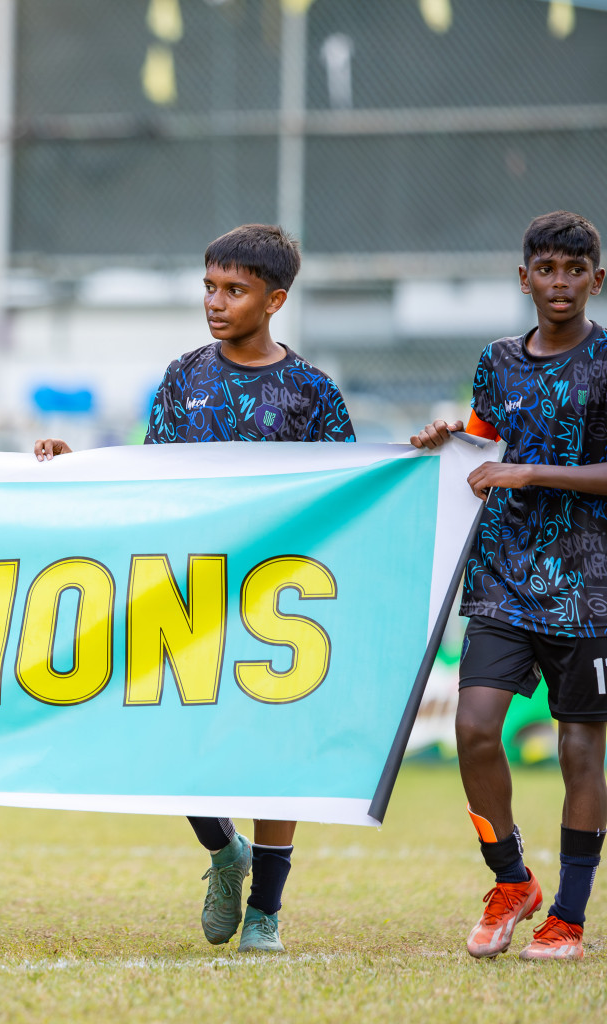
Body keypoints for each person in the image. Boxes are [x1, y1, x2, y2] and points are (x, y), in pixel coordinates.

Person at [34, 223, 353, 953]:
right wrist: (79, 464)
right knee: (165, 733)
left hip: (278, 599)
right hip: (191, 591)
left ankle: (266, 912)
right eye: (209, 286)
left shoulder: (313, 392)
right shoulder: (183, 375)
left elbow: (349, 493)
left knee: (277, 756)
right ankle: (223, 853)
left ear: (274, 300)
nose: (216, 301)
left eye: (234, 290)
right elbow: (157, 479)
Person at [411, 210, 607, 962]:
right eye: (546, 271)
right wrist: (446, 439)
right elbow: (483, 439)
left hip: (589, 582)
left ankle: (570, 916)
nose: (560, 284)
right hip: (502, 575)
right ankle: (511, 880)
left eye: (574, 270)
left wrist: (526, 470)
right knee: (473, 728)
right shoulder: (495, 359)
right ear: (523, 279)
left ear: (597, 279)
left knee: (581, 750)